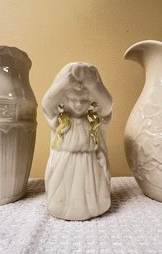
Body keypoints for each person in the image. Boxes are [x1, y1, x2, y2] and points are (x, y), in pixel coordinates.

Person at [42, 62, 112, 220]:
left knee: (91, 193)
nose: (79, 105)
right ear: (65, 100)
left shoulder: (94, 119)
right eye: (73, 100)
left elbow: (107, 106)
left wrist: (93, 85)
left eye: (84, 101)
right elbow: (46, 104)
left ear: (91, 101)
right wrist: (62, 85)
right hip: (64, 162)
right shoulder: (60, 119)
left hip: (90, 163)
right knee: (61, 194)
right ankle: (62, 207)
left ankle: (93, 207)